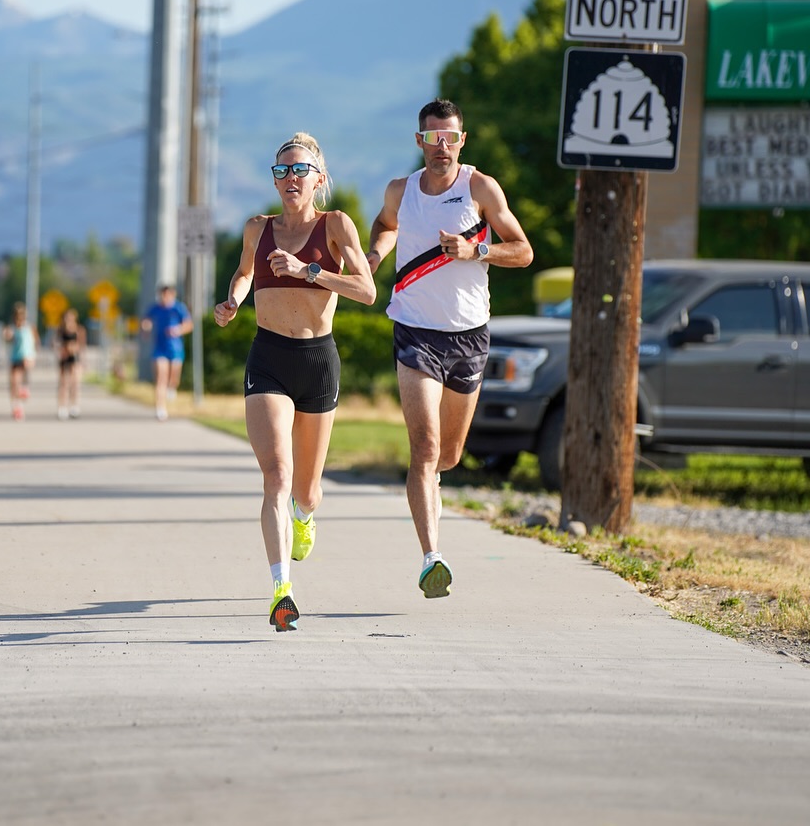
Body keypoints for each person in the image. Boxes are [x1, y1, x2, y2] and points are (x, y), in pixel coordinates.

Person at [366, 98, 533, 599]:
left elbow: (522, 251)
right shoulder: (401, 190)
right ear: (420, 141)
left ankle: (430, 492)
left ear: (462, 140)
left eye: (451, 138)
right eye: (433, 138)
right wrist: (375, 253)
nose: (442, 147)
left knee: (451, 455)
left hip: (469, 335)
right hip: (415, 330)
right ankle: (431, 557)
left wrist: (476, 250)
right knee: (425, 449)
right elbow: (384, 225)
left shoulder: (479, 187)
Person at [214, 131, 375, 631]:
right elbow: (244, 273)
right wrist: (235, 299)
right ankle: (282, 589)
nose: (289, 179)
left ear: (319, 179)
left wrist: (310, 272)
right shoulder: (257, 229)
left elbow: (367, 290)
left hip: (317, 360)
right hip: (268, 358)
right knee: (276, 477)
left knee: (306, 490)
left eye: (299, 170)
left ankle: (305, 516)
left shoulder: (336, 225)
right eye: (281, 171)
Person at [140, 284, 193, 421]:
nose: (164, 298)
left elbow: (188, 324)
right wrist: (146, 327)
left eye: (167, 295)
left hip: (175, 348)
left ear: (172, 295)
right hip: (159, 348)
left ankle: (172, 388)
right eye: (162, 295)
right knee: (160, 378)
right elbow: (146, 320)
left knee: (173, 378)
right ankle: (160, 408)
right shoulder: (156, 308)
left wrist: (178, 330)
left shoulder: (178, 308)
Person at [3, 302, 38, 420]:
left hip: (26, 357)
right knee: (13, 383)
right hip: (15, 357)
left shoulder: (29, 327)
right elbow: (8, 340)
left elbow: (35, 342)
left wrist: (33, 357)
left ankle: (21, 402)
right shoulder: (12, 328)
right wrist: (7, 336)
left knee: (22, 383)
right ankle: (16, 407)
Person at [56, 307, 83, 420]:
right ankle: (62, 406)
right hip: (64, 357)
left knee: (74, 383)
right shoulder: (61, 330)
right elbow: (56, 343)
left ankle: (74, 405)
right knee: (63, 383)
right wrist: (62, 350)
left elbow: (81, 345)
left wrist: (74, 348)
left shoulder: (79, 330)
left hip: (75, 358)